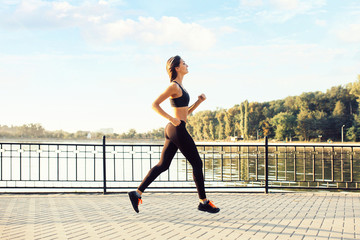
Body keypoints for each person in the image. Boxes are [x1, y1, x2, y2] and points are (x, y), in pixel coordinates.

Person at [128, 55, 220, 214]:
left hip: (175, 127)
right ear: (177, 68)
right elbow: (154, 105)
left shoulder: (181, 87)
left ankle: (136, 193)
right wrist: (171, 118)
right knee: (197, 163)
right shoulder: (174, 86)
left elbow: (185, 113)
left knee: (163, 165)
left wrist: (198, 102)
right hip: (176, 128)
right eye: (184, 63)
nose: (187, 65)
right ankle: (203, 202)